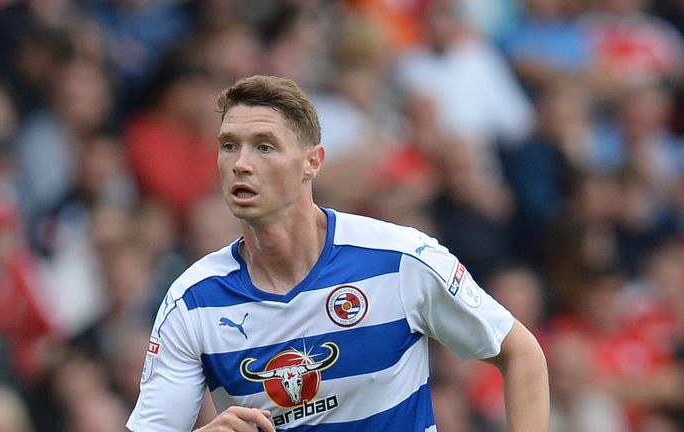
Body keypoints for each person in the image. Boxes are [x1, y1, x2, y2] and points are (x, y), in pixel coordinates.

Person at [126, 75, 549, 431]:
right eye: (229, 145)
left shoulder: (400, 258)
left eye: (264, 146)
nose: (240, 163)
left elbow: (520, 353)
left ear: (312, 162)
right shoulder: (192, 302)